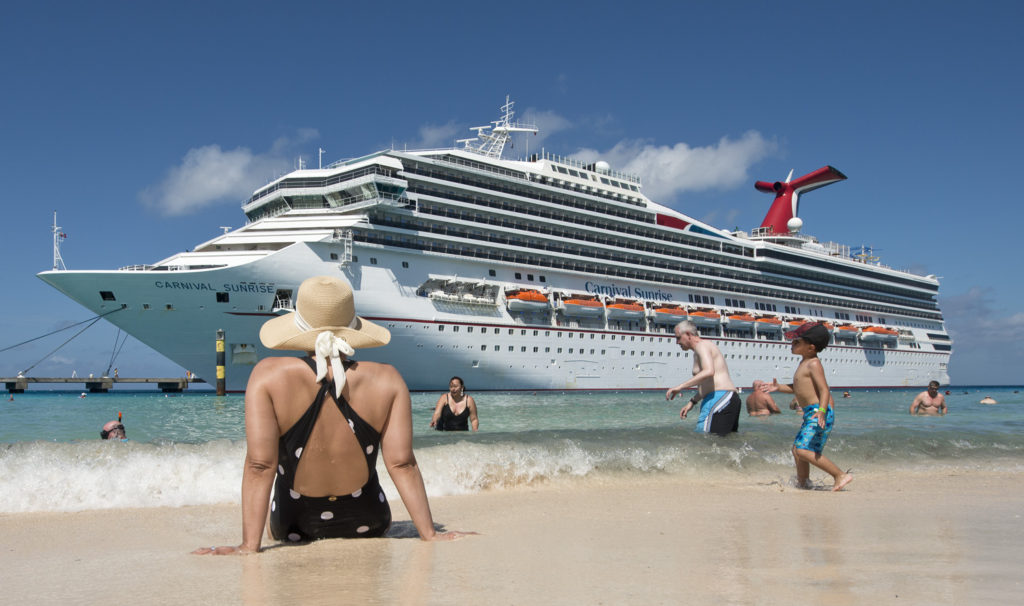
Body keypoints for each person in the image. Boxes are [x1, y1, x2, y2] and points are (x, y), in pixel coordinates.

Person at [194, 276, 468, 555]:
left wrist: (247, 547)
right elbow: (402, 465)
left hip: (293, 525)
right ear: (352, 327)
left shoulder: (268, 376)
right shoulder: (388, 379)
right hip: (370, 520)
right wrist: (429, 534)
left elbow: (259, 466)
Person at [758, 322, 853, 491]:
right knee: (797, 450)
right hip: (812, 412)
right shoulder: (804, 362)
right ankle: (804, 483)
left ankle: (840, 475)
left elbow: (824, 390)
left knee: (803, 450)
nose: (792, 344)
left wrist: (822, 412)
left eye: (797, 342)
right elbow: (799, 389)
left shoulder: (814, 364)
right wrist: (778, 387)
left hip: (819, 411)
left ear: (811, 347)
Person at [666, 321, 741, 436]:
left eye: (678, 338)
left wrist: (680, 387)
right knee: (723, 444)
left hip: (719, 398)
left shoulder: (702, 345)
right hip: (727, 398)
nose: (677, 342)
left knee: (705, 440)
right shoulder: (700, 349)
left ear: (688, 334)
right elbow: (708, 383)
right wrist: (692, 402)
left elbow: (709, 372)